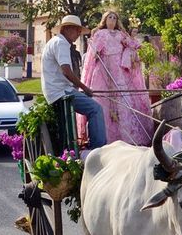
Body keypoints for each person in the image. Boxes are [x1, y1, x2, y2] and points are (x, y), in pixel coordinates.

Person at [79, 10, 153, 146]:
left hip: (119, 73)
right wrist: (95, 49)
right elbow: (94, 52)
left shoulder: (120, 35)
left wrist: (135, 43)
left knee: (123, 103)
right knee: (103, 102)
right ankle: (104, 138)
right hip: (104, 72)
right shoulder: (100, 34)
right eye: (109, 17)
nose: (112, 20)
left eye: (114, 18)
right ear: (105, 20)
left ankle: (126, 137)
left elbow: (132, 44)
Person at [41, 14, 106, 149]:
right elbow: (66, 70)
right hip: (61, 92)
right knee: (96, 109)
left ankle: (89, 143)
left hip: (56, 91)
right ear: (67, 29)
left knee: (92, 109)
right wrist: (84, 88)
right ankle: (97, 149)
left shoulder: (56, 42)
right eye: (77, 30)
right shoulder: (61, 43)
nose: (78, 34)